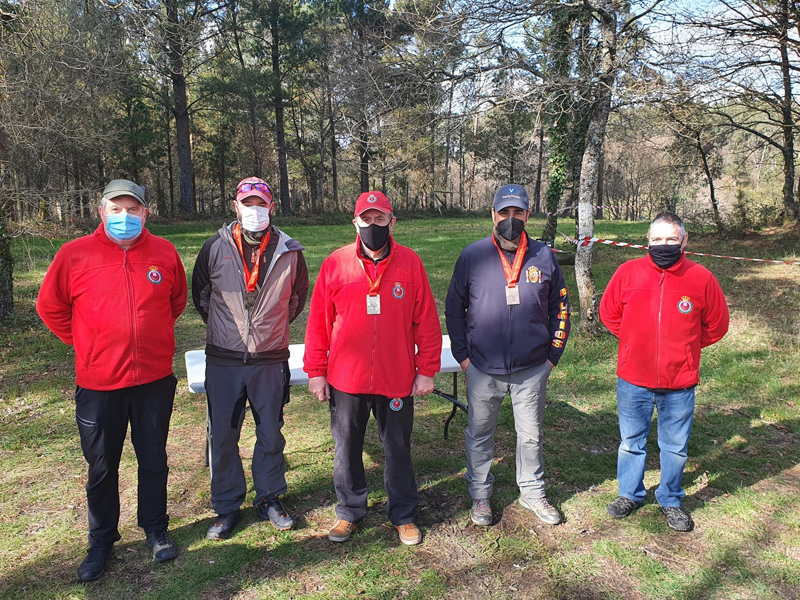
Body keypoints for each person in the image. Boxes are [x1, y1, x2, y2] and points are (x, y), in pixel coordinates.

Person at [36, 179, 187, 581]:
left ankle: (155, 529)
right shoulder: (74, 255)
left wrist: (147, 338)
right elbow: (50, 307)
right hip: (99, 384)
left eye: (132, 209)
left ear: (145, 213)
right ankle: (101, 540)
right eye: (116, 209)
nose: (125, 216)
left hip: (153, 379)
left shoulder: (164, 252)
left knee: (153, 458)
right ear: (101, 212)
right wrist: (87, 343)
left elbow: (176, 302)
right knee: (102, 465)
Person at [303, 191, 442, 546]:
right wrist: (316, 371)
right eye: (367, 219)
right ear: (356, 223)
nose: (373, 225)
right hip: (346, 378)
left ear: (392, 222)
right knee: (347, 445)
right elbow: (319, 322)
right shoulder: (335, 264)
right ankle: (349, 511)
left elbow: (426, 321)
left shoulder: (411, 264)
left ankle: (404, 515)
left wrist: (426, 369)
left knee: (397, 446)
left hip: (396, 375)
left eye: (380, 219)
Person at [445, 184, 571, 527]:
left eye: (518, 213)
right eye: (505, 213)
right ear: (493, 214)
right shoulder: (472, 256)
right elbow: (454, 310)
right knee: (479, 433)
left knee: (530, 435)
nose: (511, 220)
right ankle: (480, 494)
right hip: (483, 366)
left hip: (532, 367)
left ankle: (532, 492)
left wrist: (552, 357)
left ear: (528, 215)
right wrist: (463, 356)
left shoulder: (544, 256)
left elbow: (560, 306)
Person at [192, 177, 309, 540]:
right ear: (236, 206)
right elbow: (201, 296)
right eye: (247, 203)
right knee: (223, 436)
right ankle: (227, 506)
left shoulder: (290, 250)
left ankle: (270, 497)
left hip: (269, 359)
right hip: (224, 360)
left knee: (271, 433)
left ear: (271, 207)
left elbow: (296, 300)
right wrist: (231, 331)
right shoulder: (214, 247)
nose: (254, 210)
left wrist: (265, 330)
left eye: (261, 203)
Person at [599, 211, 729, 532]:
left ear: (684, 241)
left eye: (671, 239)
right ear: (648, 241)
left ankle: (670, 498)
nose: (664, 244)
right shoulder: (627, 273)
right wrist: (633, 343)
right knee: (631, 442)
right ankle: (630, 493)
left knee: (675, 447)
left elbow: (717, 325)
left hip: (679, 383)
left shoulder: (702, 279)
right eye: (657, 239)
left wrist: (686, 349)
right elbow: (609, 313)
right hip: (633, 379)